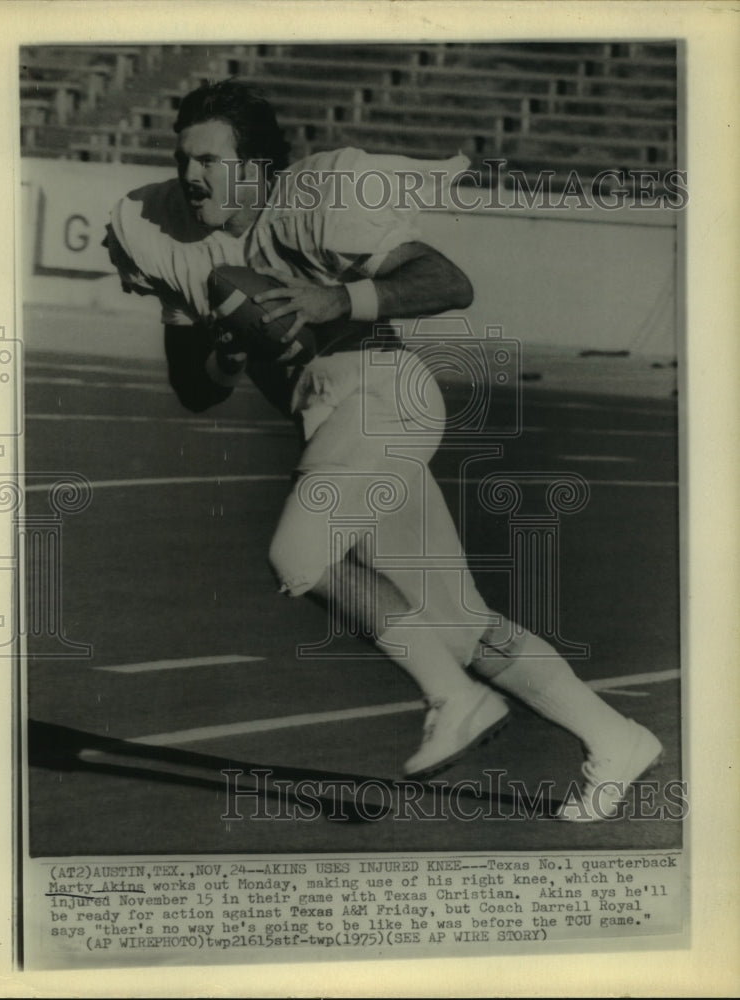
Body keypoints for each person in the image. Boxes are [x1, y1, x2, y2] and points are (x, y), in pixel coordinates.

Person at [104, 79, 662, 821]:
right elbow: (194, 386)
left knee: (299, 553)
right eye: (183, 158)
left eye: (210, 158)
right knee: (459, 624)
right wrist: (229, 356)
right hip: (335, 422)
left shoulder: (313, 200)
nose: (190, 175)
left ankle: (453, 700)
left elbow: (446, 281)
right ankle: (614, 737)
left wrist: (339, 300)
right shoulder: (157, 228)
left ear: (261, 166)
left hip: (382, 391)